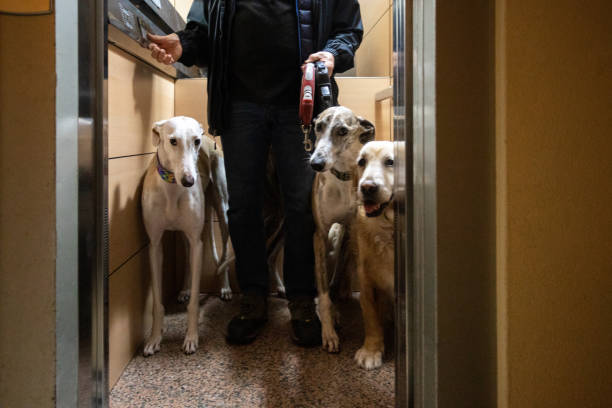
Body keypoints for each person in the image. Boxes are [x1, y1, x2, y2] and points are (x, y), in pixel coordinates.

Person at [147, 0, 363, 347]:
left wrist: (333, 54)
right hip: (239, 104)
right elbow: (202, 34)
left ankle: (302, 299)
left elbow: (348, 29)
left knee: (301, 205)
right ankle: (253, 297)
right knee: (243, 204)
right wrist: (183, 44)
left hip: (301, 103)